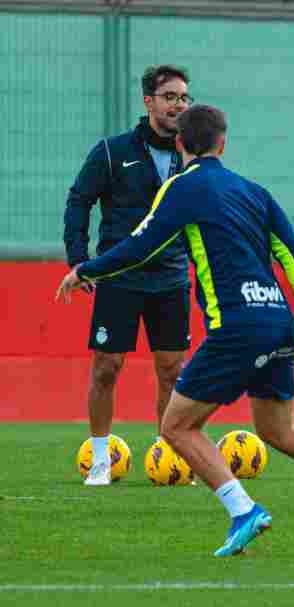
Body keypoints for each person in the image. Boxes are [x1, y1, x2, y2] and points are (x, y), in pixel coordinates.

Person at [56, 105, 294, 557]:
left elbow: (140, 246)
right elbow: (290, 251)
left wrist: (85, 270)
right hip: (277, 320)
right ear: (223, 143)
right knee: (278, 429)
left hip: (236, 325)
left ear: (180, 144)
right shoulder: (254, 191)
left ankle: (243, 510)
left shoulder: (181, 188)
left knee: (175, 427)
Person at [63, 65, 194, 486]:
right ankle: (100, 459)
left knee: (172, 371)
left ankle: (169, 456)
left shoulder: (191, 155)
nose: (178, 104)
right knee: (107, 366)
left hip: (172, 278)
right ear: (149, 102)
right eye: (170, 96)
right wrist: (78, 261)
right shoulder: (111, 151)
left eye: (184, 98)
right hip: (119, 277)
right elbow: (79, 200)